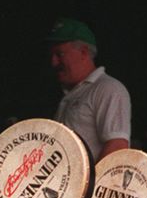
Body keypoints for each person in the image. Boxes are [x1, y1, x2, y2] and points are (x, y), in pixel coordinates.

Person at [47, 17, 130, 161]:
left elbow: (117, 147)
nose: (53, 62)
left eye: (59, 54)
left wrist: (90, 183)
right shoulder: (72, 93)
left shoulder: (108, 88)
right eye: (52, 55)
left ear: (84, 52)